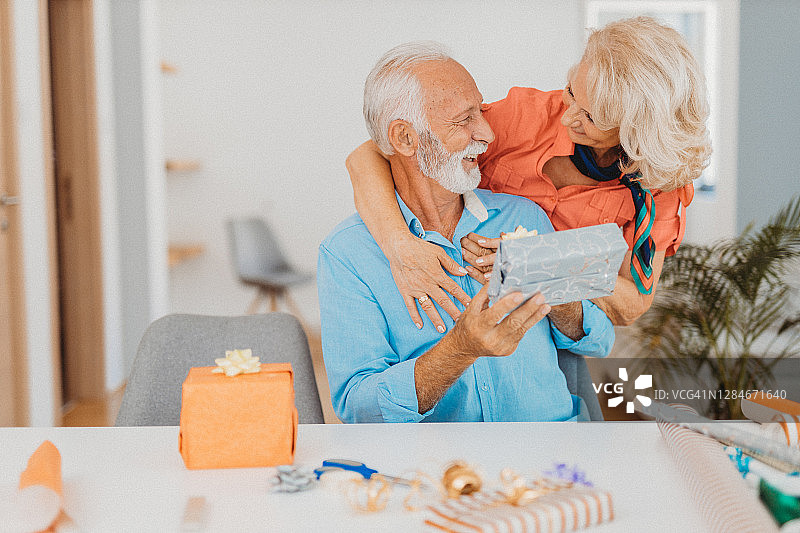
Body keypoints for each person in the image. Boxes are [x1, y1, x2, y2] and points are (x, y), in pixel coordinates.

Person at [346, 17, 711, 330]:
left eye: (590, 117)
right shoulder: (527, 117)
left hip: (563, 326)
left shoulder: (658, 183)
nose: (567, 117)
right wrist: (401, 247)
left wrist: (539, 263)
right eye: (571, 91)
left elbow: (632, 303)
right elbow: (374, 153)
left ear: (636, 133)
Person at [318, 42, 614, 423]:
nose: (488, 133)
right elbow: (359, 407)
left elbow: (601, 339)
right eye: (464, 120)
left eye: (481, 111)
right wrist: (459, 349)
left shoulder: (524, 217)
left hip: (555, 448)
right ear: (405, 138)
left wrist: (548, 288)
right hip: (440, 460)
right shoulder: (347, 255)